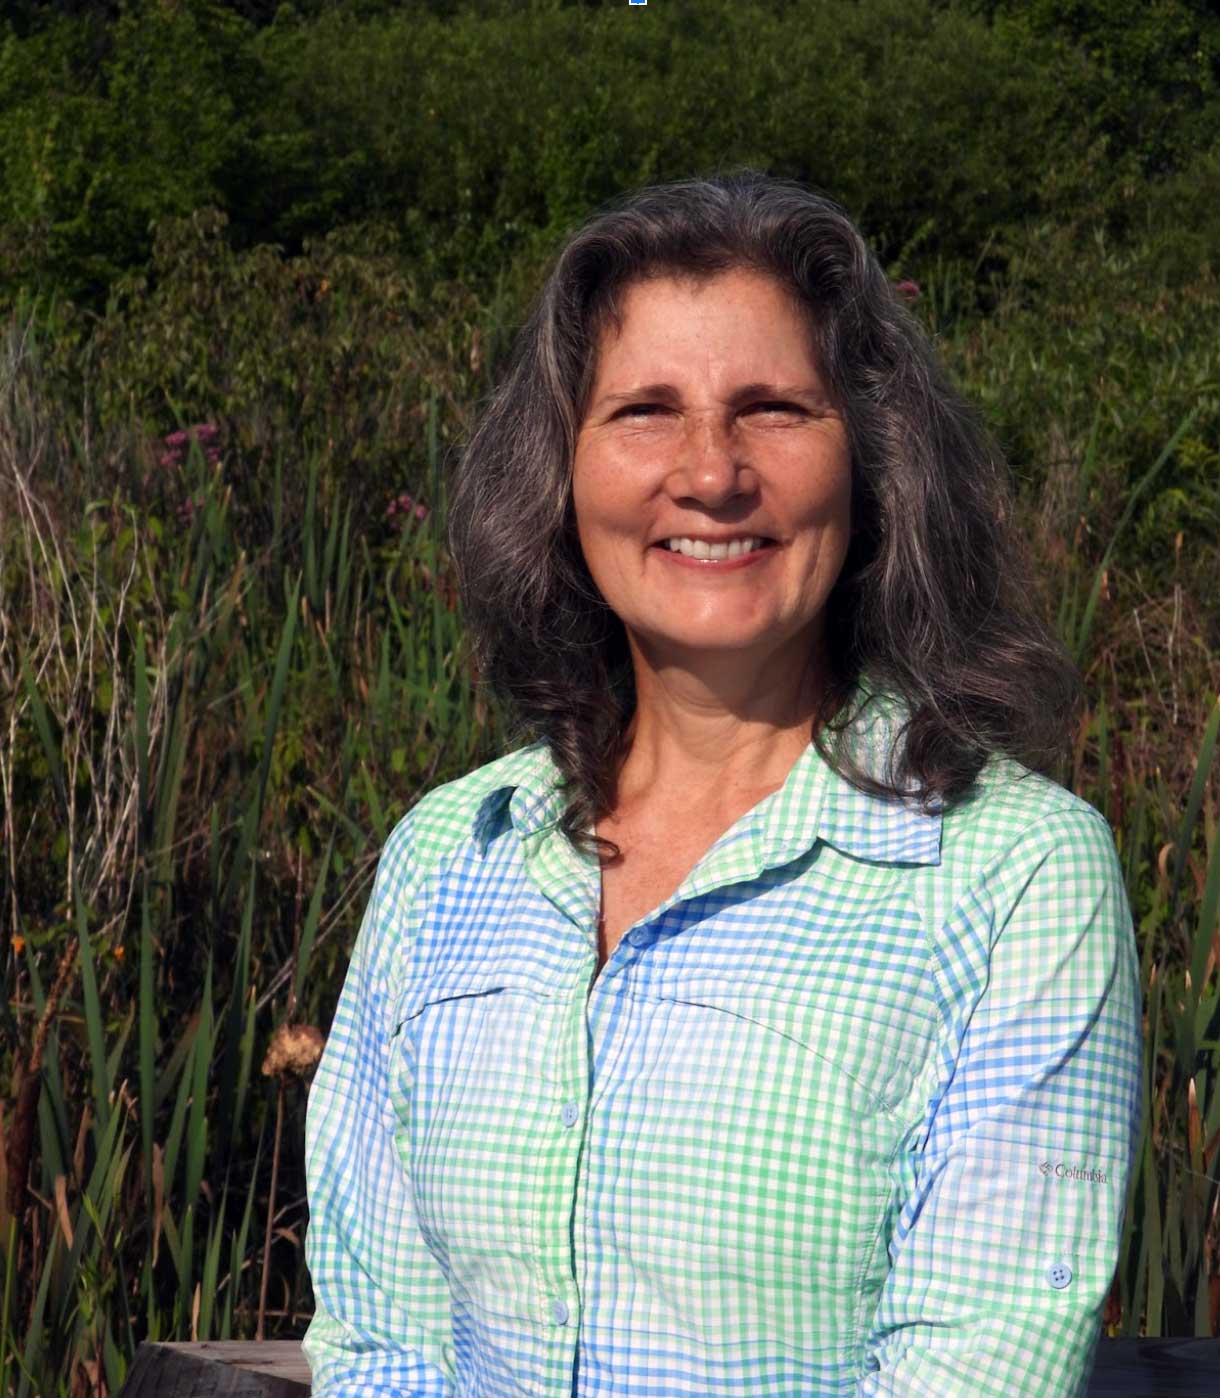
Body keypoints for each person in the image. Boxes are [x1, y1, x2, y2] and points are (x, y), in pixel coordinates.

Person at [301, 169, 1144, 1396]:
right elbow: (383, 1340)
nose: (710, 473)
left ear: (872, 463)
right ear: (561, 474)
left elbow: (975, 1366)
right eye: (644, 411)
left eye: (773, 409)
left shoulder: (1015, 875)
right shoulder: (446, 855)